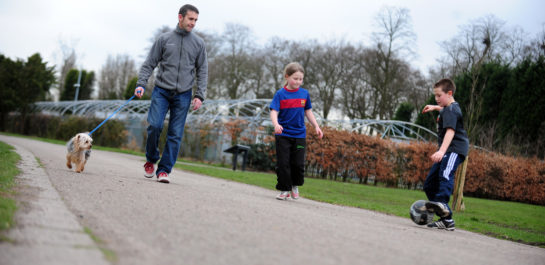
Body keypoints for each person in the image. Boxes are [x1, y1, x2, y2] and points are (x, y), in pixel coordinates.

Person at [134, 4, 207, 184]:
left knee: (175, 133)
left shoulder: (199, 43)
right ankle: (151, 159)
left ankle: (164, 170)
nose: (193, 23)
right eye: (191, 19)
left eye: (196, 20)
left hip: (183, 95)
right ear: (180, 17)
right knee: (155, 126)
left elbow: (203, 71)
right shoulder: (164, 39)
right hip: (161, 91)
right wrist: (141, 83)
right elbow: (149, 63)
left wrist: (199, 95)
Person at [269, 62, 323, 200]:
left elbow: (308, 111)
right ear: (287, 77)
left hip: (299, 135)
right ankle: (284, 189)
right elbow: (274, 111)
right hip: (283, 134)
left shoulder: (304, 94)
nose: (298, 81)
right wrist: (276, 124)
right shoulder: (280, 94)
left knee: (298, 163)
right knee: (283, 163)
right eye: (295, 78)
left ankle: (294, 185)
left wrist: (316, 126)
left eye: (301, 79)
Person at [421, 78, 469, 231]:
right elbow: (445, 109)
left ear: (449, 93)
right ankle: (446, 219)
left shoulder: (451, 110)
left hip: (454, 149)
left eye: (438, 96)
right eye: (435, 96)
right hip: (448, 150)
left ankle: (442, 204)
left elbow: (450, 131)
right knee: (429, 184)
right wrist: (435, 107)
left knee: (445, 174)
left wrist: (441, 151)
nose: (436, 98)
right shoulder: (449, 107)